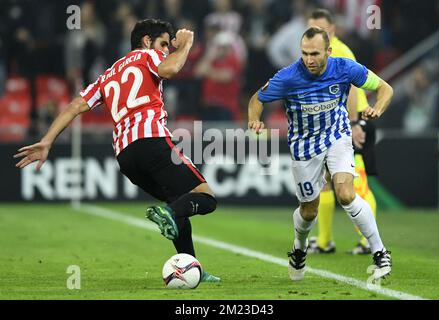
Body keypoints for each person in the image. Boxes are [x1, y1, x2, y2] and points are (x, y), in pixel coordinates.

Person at [14, 18, 220, 282]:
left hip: (125, 156)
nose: (167, 49)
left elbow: (76, 105)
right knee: (206, 198)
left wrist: (47, 140)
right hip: (152, 140)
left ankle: (194, 268)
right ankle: (168, 213)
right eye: (164, 44)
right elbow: (169, 70)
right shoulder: (148, 55)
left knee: (177, 204)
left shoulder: (109, 74)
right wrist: (186, 45)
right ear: (147, 41)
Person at [248, 26, 393, 281]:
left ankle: (380, 251)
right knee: (308, 211)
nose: (309, 59)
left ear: (328, 50)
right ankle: (299, 247)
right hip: (303, 147)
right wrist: (254, 121)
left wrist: (377, 108)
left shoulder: (345, 68)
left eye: (314, 53)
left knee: (347, 194)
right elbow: (256, 100)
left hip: (337, 136)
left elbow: (385, 89)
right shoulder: (288, 76)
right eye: (304, 53)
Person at [306, 8, 379, 255]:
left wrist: (356, 123)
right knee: (325, 183)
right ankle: (325, 241)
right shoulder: (315, 52)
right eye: (311, 28)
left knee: (356, 182)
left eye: (320, 29)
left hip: (353, 123)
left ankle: (367, 240)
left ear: (332, 30)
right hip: (335, 125)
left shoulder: (338, 51)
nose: (315, 33)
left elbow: (354, 89)